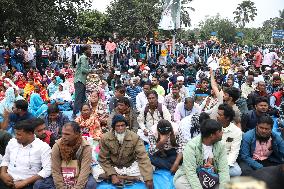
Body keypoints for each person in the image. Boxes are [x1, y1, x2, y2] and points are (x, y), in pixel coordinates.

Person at [93, 115, 154, 189]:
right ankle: (130, 178)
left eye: (122, 125)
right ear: (113, 127)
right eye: (117, 126)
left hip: (130, 167)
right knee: (95, 171)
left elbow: (143, 157)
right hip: (112, 167)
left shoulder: (135, 137)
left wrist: (148, 179)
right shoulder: (105, 138)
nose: (120, 128)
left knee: (150, 169)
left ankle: (121, 178)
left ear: (126, 126)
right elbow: (103, 159)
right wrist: (112, 175)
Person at [174, 119, 230, 189]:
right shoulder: (191, 146)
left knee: (226, 182)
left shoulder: (220, 146)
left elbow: (223, 170)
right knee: (180, 183)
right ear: (211, 135)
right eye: (220, 131)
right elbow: (191, 173)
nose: (222, 133)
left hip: (211, 176)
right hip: (196, 175)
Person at [0, 119, 53, 189]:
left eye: (19, 134)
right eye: (15, 134)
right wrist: (2, 173)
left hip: (28, 184)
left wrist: (25, 182)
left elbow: (47, 170)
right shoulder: (12, 142)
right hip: (6, 180)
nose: (16, 137)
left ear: (30, 134)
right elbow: (5, 160)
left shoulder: (43, 147)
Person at [51, 121, 96, 189]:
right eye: (62, 134)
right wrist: (61, 187)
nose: (63, 137)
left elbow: (84, 170)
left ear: (77, 134)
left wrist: (77, 187)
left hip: (79, 175)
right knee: (40, 184)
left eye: (67, 134)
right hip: (62, 174)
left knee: (91, 184)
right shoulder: (57, 145)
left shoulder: (85, 147)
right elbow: (55, 169)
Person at [217, 104, 242, 177]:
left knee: (237, 172)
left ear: (227, 118)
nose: (217, 116)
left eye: (220, 115)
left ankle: (215, 173)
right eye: (217, 114)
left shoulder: (236, 131)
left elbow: (234, 151)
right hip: (212, 157)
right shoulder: (214, 127)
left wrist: (226, 165)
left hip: (226, 158)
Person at [73, 45, 92, 118]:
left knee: (82, 98)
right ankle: (75, 114)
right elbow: (84, 70)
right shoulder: (84, 58)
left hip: (81, 81)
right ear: (85, 51)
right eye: (89, 49)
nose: (91, 51)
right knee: (79, 98)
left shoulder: (84, 58)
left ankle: (80, 113)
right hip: (80, 80)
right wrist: (92, 71)